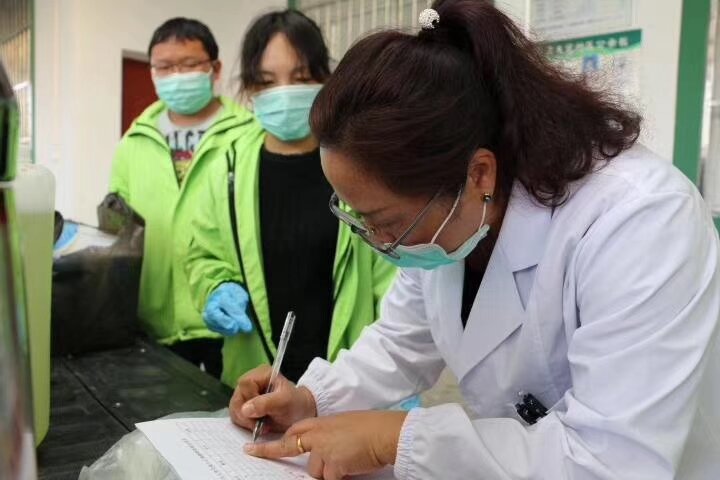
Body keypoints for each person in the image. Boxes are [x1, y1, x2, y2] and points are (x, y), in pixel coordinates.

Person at [228, 1, 720, 479]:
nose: (378, 241)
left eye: (384, 220)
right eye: (356, 216)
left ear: (479, 173)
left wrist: (396, 438)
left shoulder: (639, 220)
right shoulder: (450, 218)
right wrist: (312, 399)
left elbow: (613, 460)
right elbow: (402, 343)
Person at [185, 10, 395, 387]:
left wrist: (395, 379)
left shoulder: (360, 163)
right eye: (266, 81)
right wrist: (216, 287)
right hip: (252, 380)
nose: (284, 92)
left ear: (325, 80)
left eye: (300, 78)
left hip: (352, 379)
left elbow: (392, 273)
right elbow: (203, 253)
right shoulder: (225, 166)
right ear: (249, 90)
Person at [109, 18, 256, 377]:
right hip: (156, 316)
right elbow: (118, 224)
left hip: (232, 315)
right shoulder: (133, 142)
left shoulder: (249, 134)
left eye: (189, 65)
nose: (177, 75)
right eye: (164, 67)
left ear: (214, 69)